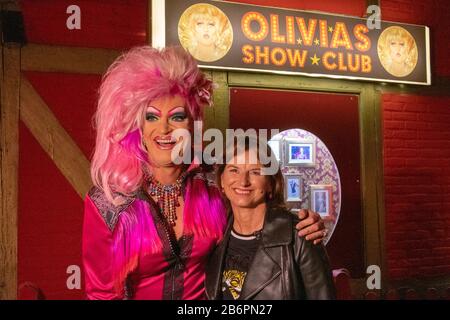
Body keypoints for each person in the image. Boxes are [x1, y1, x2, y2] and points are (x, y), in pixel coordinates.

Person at [82, 46, 326, 300]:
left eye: (177, 117)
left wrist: (302, 226)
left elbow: (259, 215)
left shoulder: (214, 183)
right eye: (152, 117)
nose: (165, 129)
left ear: (193, 124)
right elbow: (101, 294)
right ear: (138, 126)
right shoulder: (109, 202)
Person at [205, 136, 335, 300]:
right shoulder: (215, 236)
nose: (243, 181)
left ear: (271, 183)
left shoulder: (300, 235)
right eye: (233, 170)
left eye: (255, 172)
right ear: (222, 180)